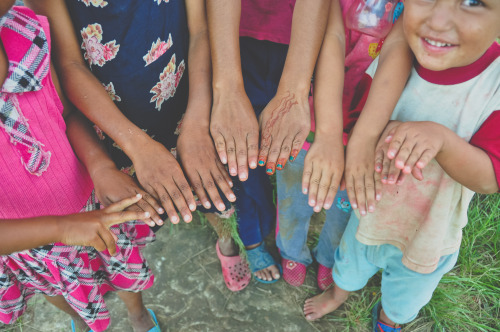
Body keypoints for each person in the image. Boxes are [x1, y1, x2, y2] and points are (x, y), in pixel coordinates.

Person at [24, 0, 247, 291]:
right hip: (116, 125)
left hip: (188, 98)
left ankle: (226, 236)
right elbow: (69, 64)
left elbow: (199, 29)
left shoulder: (195, 114)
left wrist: (197, 120)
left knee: (212, 187)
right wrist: (137, 146)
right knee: (150, 206)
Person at [304, 1, 500, 331]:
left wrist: (443, 140)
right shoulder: (392, 61)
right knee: (350, 263)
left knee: (407, 293)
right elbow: (358, 127)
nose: (438, 21)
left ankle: (390, 319)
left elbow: (490, 178)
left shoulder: (493, 86)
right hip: (371, 211)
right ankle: (338, 294)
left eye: (472, 1)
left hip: (431, 233)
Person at [0, 4, 161, 332]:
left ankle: (138, 315)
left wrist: (100, 167)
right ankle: (81, 319)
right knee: (60, 290)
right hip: (33, 243)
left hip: (93, 201)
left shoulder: (25, 36)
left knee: (122, 264)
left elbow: (66, 115)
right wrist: (61, 229)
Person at [276, 0, 410, 289]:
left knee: (346, 202)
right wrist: (327, 134)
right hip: (310, 119)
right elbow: (331, 37)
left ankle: (329, 256)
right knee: (293, 194)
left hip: (367, 122)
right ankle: (291, 251)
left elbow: (398, 51)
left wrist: (364, 140)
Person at [207, 0, 330, 285]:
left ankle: (270, 225)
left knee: (279, 148)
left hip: (297, 40)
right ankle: (251, 237)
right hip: (235, 36)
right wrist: (227, 87)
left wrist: (295, 90)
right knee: (239, 156)